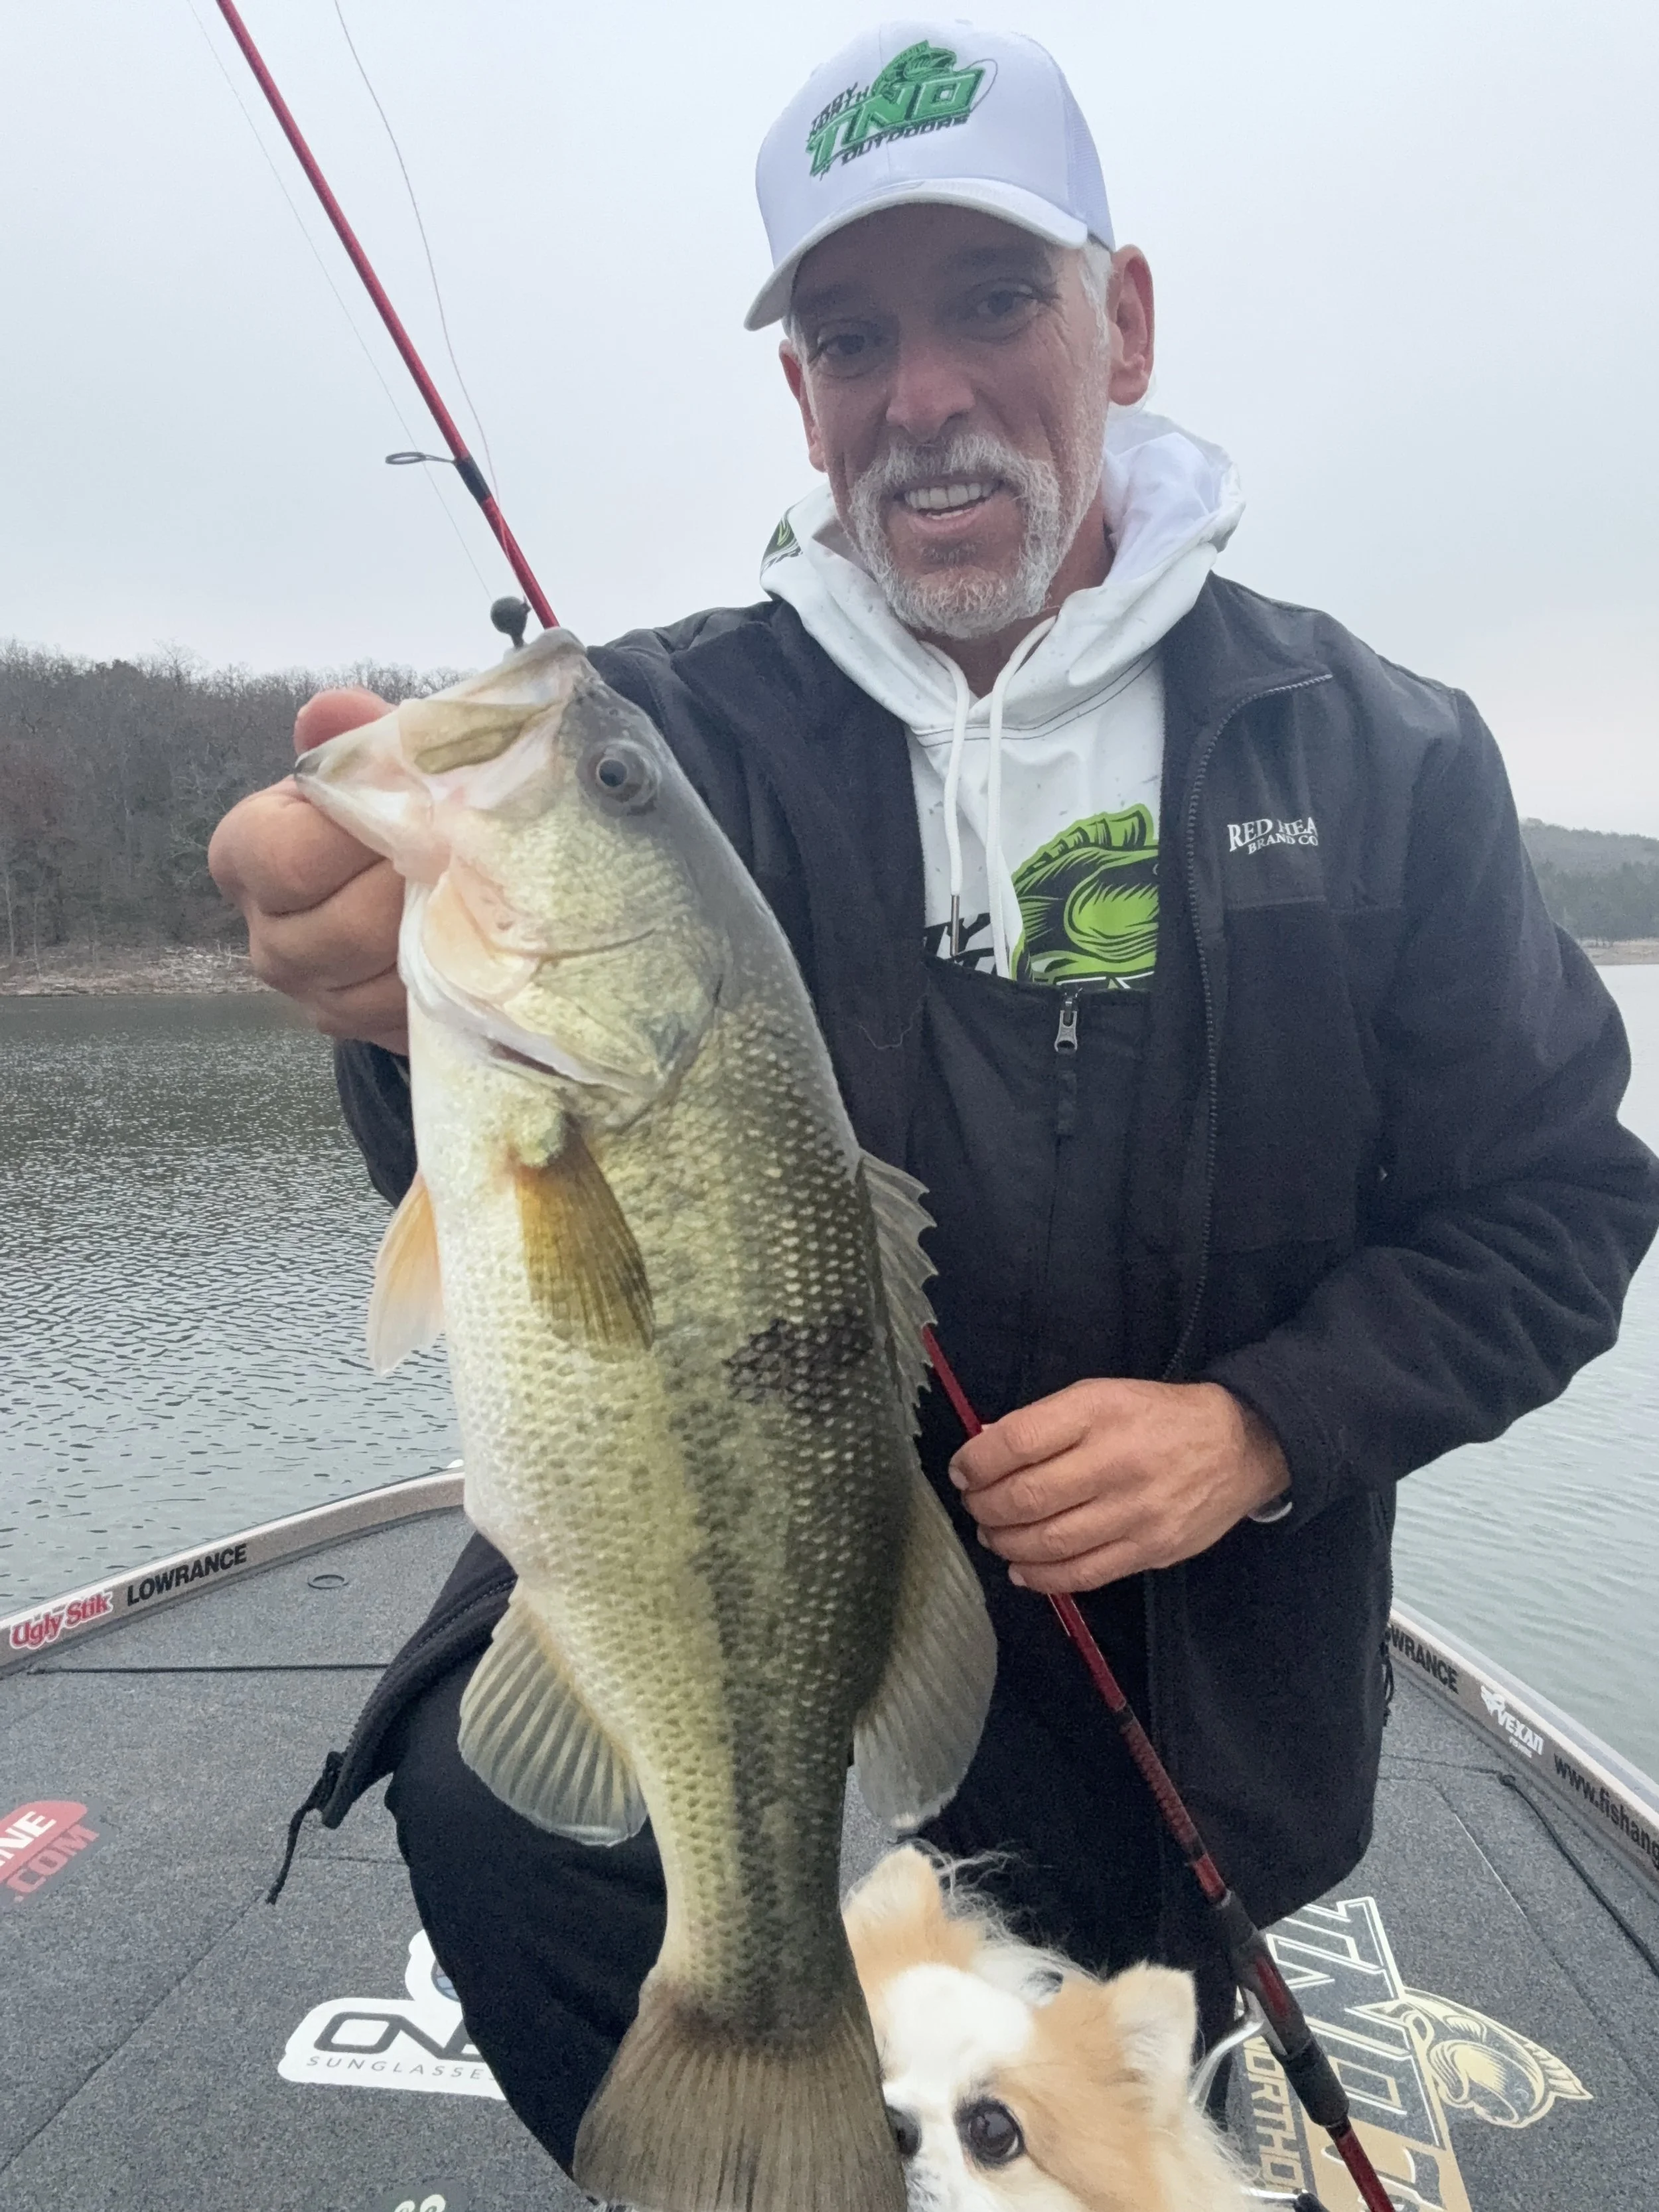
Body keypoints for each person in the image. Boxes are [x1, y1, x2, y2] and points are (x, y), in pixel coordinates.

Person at [211, 20, 1658, 2181]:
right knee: (509, 1798)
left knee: (1116, 2069)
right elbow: (498, 1194)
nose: (924, 395)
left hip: (1177, 1665)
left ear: (1124, 318)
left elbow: (1554, 1205)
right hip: (722, 1551)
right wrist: (363, 994)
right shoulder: (660, 734)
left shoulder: (1379, 755)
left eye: (995, 301)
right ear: (796, 391)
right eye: (849, 332)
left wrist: (1261, 1428)